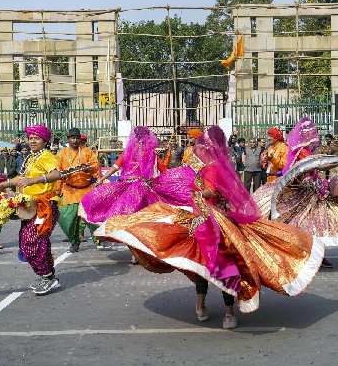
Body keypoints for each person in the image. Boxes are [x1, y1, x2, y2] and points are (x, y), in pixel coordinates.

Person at [96, 126, 323, 329]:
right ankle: (206, 306)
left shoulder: (215, 168)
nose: (198, 148)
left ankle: (224, 310)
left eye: (201, 144)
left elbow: (214, 193)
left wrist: (197, 193)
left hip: (217, 221)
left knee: (219, 263)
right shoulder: (207, 167)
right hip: (202, 217)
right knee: (204, 263)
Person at [252, 117, 338, 269]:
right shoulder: (301, 151)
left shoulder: (302, 150)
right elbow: (302, 170)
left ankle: (314, 254)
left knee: (317, 223)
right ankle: (305, 254)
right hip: (302, 191)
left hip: (308, 188)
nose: (314, 135)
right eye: (311, 133)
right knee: (313, 223)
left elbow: (311, 168)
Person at [0, 124, 63, 295]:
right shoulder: (31, 157)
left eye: (36, 138)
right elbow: (22, 178)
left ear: (44, 141)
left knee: (33, 240)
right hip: (30, 206)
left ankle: (46, 276)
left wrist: (33, 181)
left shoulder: (46, 156)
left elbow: (57, 174)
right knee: (33, 241)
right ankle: (48, 275)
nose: (32, 140)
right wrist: (5, 183)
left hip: (44, 206)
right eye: (30, 137)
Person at [57, 127, 101, 253]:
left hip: (86, 189)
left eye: (77, 138)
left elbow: (95, 166)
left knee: (91, 217)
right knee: (68, 220)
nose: (75, 140)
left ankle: (97, 239)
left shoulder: (87, 151)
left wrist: (88, 169)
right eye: (72, 138)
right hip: (69, 190)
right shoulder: (62, 153)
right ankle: (74, 242)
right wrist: (61, 180)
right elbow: (57, 172)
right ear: (68, 139)